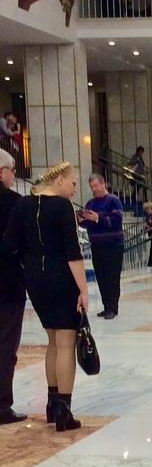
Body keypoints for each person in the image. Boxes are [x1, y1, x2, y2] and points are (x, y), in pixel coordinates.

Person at [3, 161, 88, 432]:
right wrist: (84, 290)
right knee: (66, 342)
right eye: (73, 183)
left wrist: (29, 262)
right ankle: (64, 410)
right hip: (61, 278)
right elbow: (73, 253)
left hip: (35, 280)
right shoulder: (63, 207)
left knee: (53, 340)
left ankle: (52, 404)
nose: (75, 189)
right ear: (59, 180)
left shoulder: (23, 205)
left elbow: (9, 245)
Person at [0, 149, 26, 424]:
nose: (14, 175)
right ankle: (1, 405)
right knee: (6, 345)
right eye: (12, 170)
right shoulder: (14, 203)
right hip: (7, 285)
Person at [81, 174, 124, 319]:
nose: (94, 189)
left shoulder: (113, 200)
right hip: (97, 245)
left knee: (112, 277)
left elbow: (116, 221)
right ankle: (106, 306)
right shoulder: (90, 203)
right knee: (101, 277)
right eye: (92, 187)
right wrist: (82, 219)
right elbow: (87, 224)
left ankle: (113, 307)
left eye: (96, 186)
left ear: (103, 184)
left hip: (113, 246)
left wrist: (98, 218)